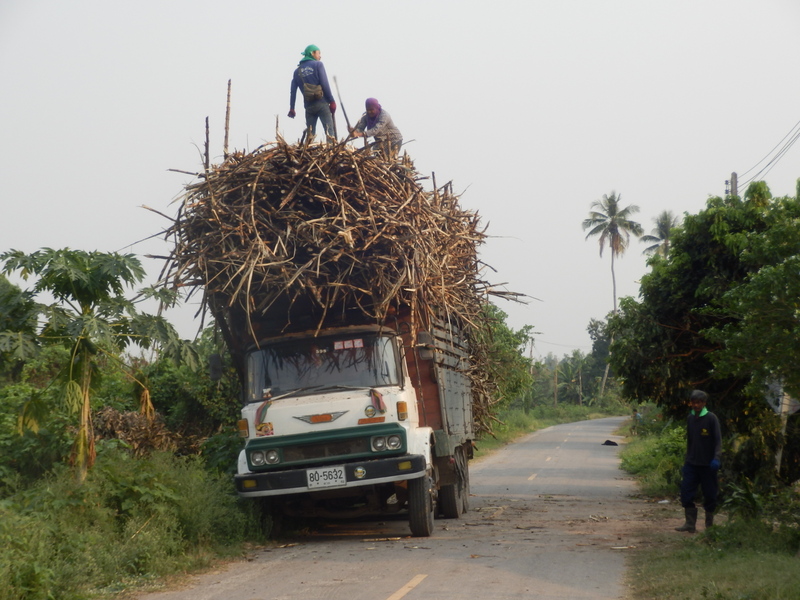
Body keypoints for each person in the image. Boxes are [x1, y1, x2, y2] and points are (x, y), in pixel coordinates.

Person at [675, 389, 722, 533]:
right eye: (693, 402)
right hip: (692, 463)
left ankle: (709, 525)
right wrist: (687, 459)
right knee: (686, 492)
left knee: (710, 495)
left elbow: (718, 440)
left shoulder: (711, 418)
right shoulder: (690, 418)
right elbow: (690, 441)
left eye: (699, 402)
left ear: (704, 403)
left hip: (708, 465)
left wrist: (716, 458)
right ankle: (690, 524)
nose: (696, 405)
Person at [288, 44, 336, 139]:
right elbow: (324, 84)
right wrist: (332, 101)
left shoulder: (297, 71)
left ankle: (307, 150)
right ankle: (331, 150)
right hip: (322, 104)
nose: (320, 56)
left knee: (310, 134)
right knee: (329, 131)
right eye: (319, 53)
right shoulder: (318, 65)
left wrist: (292, 108)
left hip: (309, 107)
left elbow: (293, 91)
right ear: (312, 53)